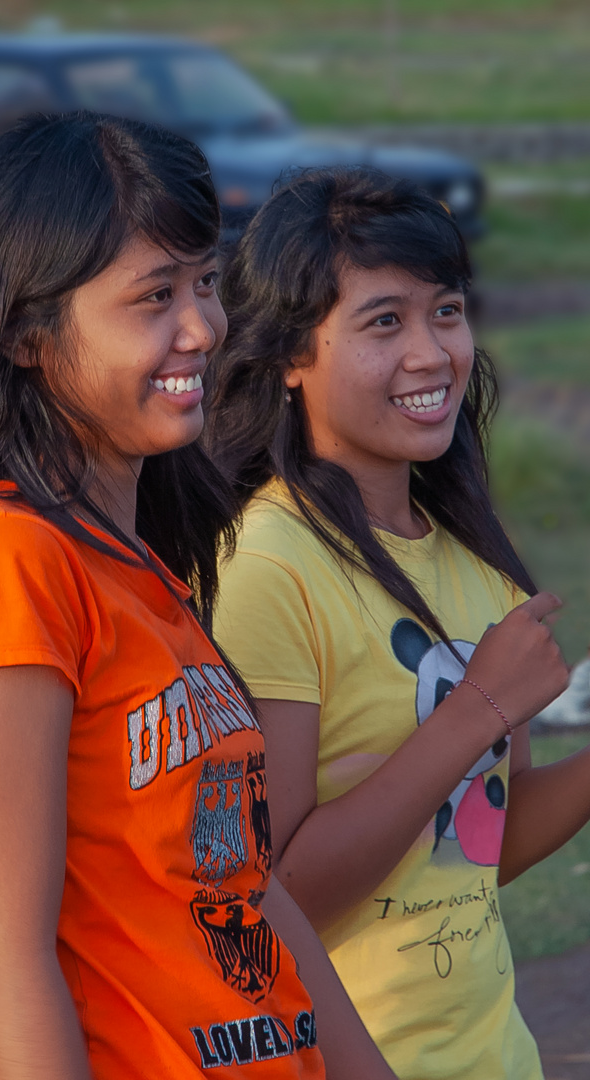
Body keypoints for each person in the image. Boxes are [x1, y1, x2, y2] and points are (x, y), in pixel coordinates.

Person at [0, 119, 397, 1080]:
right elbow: (2, 960)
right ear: (25, 334)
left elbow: (241, 885)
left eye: (205, 280)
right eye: (155, 296)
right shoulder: (1, 567)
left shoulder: (134, 564)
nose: (203, 325)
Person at [207, 166, 579, 1080]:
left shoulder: (474, 560)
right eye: (384, 320)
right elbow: (279, 893)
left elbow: (481, 851)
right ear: (291, 357)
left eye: (445, 311)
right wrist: (478, 707)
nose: (432, 353)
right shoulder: (268, 567)